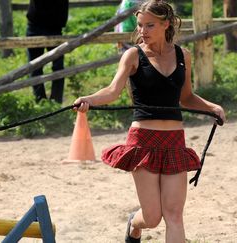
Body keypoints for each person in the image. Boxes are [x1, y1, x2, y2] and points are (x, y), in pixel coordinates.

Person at [73, 1, 226, 242]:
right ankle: (134, 223)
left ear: (166, 24)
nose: (143, 31)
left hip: (175, 142)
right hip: (143, 142)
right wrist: (89, 100)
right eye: (140, 25)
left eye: (150, 25)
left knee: (174, 215)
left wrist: (212, 107)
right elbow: (112, 91)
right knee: (152, 218)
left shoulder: (182, 55)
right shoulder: (133, 55)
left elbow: (186, 97)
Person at [26, 0, 68, 104]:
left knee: (57, 67)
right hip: (36, 25)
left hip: (55, 26)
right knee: (36, 67)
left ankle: (56, 101)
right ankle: (41, 100)